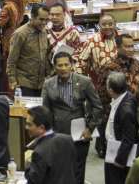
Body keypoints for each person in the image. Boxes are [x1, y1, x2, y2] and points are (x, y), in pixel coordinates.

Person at [42, 52, 102, 184]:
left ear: (72, 65)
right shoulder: (48, 84)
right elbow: (45, 111)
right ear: (54, 67)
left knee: (77, 173)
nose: (63, 68)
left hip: (79, 135)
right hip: (57, 135)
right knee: (59, 171)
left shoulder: (84, 82)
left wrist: (90, 128)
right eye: (59, 65)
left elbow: (98, 107)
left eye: (66, 64)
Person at [104, 72, 139, 184]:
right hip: (114, 148)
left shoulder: (126, 111)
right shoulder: (126, 96)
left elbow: (128, 139)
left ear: (111, 90)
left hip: (119, 155)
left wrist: (120, 159)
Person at [24, 106, 76, 184]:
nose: (26, 127)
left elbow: (33, 181)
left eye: (29, 124)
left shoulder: (39, 152)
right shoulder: (68, 139)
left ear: (41, 128)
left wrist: (28, 164)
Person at [7, 4, 51, 97]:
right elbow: (11, 61)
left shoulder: (44, 31)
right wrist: (13, 81)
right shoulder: (20, 34)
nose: (44, 23)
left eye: (46, 20)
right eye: (41, 19)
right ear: (32, 17)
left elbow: (45, 56)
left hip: (41, 83)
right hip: (24, 83)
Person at [0, 0, 25, 92]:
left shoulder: (8, 7)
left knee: (6, 69)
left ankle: (7, 92)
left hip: (7, 41)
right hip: (14, 39)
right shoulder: (18, 4)